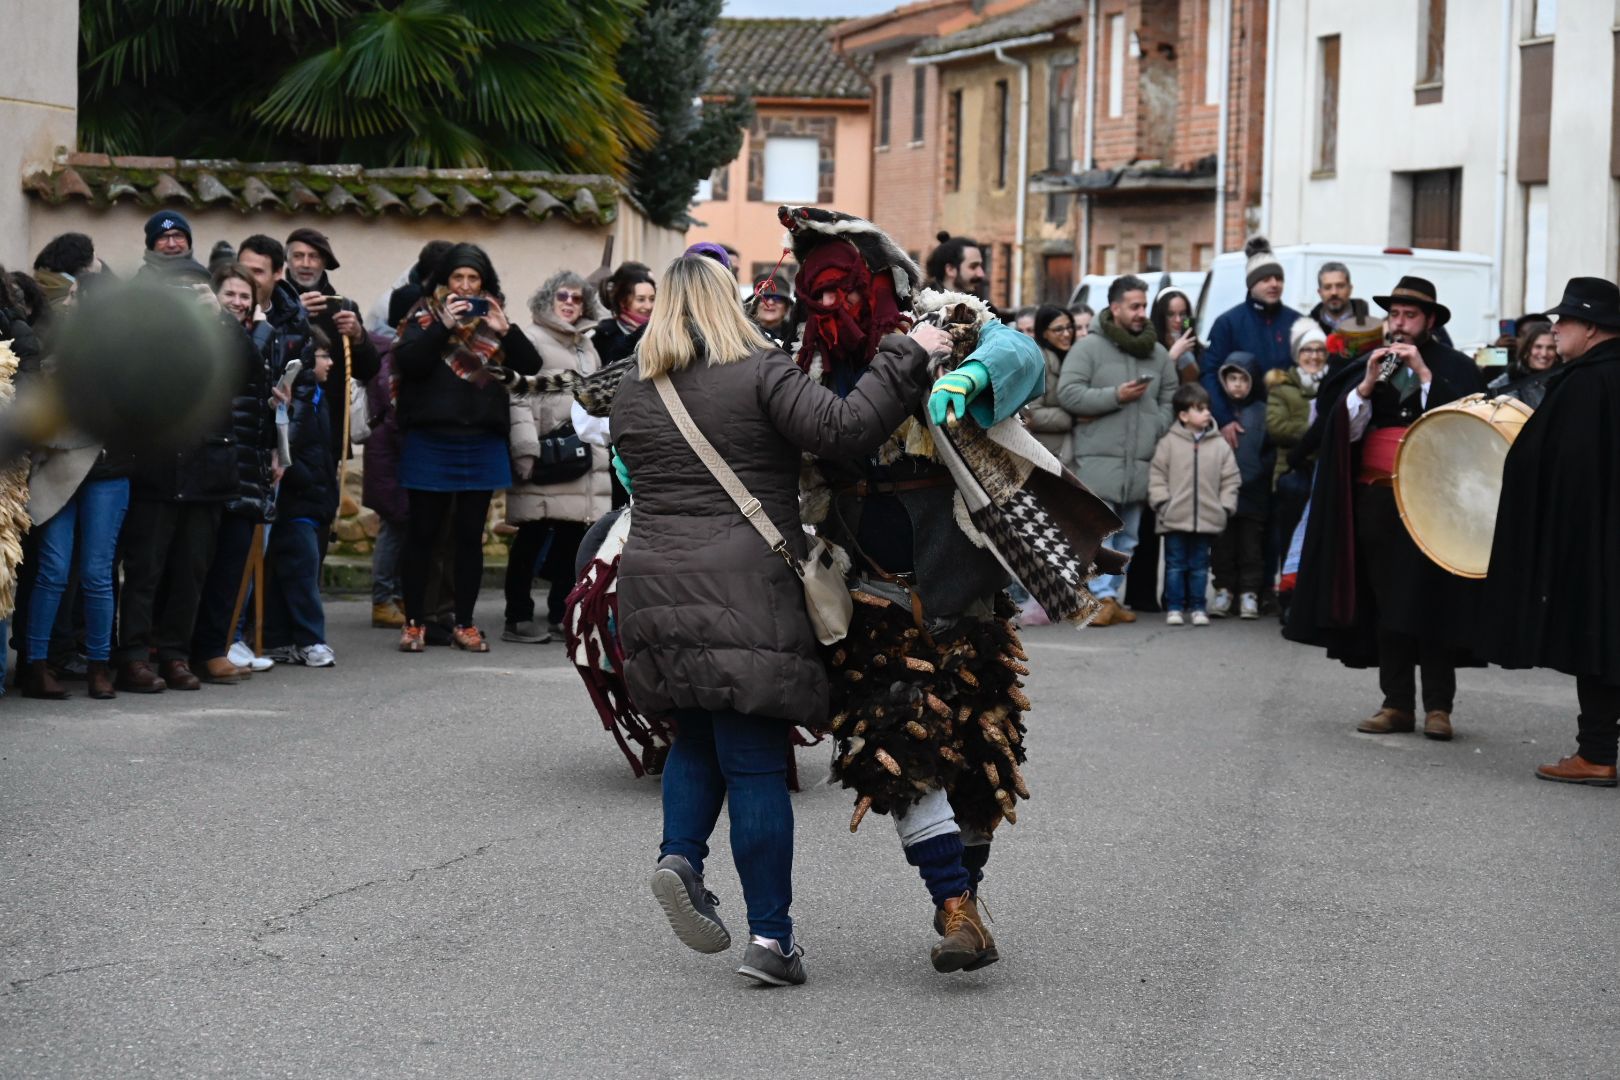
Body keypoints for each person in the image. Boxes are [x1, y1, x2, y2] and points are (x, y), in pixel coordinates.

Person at [610, 253, 941, 987]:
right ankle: (770, 940)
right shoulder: (759, 374)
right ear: (728, 305)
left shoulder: (632, 393)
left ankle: (680, 856)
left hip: (653, 584)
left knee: (694, 732)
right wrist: (909, 353)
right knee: (755, 759)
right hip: (746, 587)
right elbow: (846, 428)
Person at [1285, 276, 1485, 739]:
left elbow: (1465, 427)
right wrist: (1367, 387)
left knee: (1432, 598)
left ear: (1429, 321)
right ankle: (1396, 703)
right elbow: (1344, 432)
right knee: (1386, 598)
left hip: (1435, 502)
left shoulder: (1454, 367)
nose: (1399, 324)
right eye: (1394, 315)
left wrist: (1427, 378)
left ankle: (1439, 707)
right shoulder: (1368, 365)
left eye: (1409, 316)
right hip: (1377, 498)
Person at [1479, 278, 1620, 785]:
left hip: (1595, 540)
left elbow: (1568, 467)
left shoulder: (1585, 382)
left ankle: (1597, 753)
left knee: (1600, 642)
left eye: (1565, 321)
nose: (1555, 329)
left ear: (1592, 327)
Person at [115, 230, 250, 693]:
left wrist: (222, 319)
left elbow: (251, 373)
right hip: (155, 468)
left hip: (206, 470)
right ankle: (134, 656)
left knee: (192, 572)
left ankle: (175, 654)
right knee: (145, 571)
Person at [393, 243, 542, 653]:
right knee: (422, 532)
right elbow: (409, 363)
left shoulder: (494, 320)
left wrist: (505, 328)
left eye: (472, 279)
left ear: (483, 283)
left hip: (481, 440)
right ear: (444, 281)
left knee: (468, 535)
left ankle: (465, 622)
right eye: (456, 278)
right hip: (430, 438)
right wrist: (442, 325)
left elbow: (531, 367)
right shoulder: (422, 314)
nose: (463, 286)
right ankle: (414, 623)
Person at [1057, 274, 1178, 626]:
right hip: (1097, 463)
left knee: (1130, 538)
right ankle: (1093, 600)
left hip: (1140, 466)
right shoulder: (1088, 348)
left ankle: (1108, 597)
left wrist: (1157, 424)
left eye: (1144, 305)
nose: (1142, 312)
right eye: (1135, 306)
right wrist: (1115, 397)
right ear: (1115, 308)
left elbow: (1170, 396)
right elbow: (1069, 394)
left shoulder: (1157, 354)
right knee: (1097, 536)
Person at [502, 270, 612, 644]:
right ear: (548, 298)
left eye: (577, 298)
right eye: (562, 296)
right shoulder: (531, 339)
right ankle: (516, 617)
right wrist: (525, 448)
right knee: (530, 537)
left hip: (581, 455)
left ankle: (559, 614)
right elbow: (518, 397)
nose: (569, 303)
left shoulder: (587, 345)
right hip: (546, 454)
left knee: (570, 538)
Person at [187, 263, 282, 684]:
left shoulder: (264, 338)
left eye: (246, 297)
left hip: (247, 470)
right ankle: (176, 650)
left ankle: (212, 650)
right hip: (207, 469)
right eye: (230, 295)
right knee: (193, 568)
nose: (239, 303)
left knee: (229, 571)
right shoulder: (202, 335)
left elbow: (264, 387)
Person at [262, 332, 339, 667]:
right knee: (301, 570)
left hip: (311, 499)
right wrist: (306, 481)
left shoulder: (320, 396)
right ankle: (310, 639)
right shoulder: (301, 398)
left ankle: (281, 639)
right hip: (297, 501)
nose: (330, 363)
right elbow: (287, 447)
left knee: (294, 569)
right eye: (323, 355)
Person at [283, 227, 381, 463]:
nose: (305, 264)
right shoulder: (275, 303)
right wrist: (293, 313)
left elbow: (367, 370)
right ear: (287, 261)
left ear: (323, 262)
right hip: (281, 422)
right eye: (298, 256)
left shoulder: (343, 307)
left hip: (328, 425)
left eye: (313, 257)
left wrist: (359, 337)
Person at [1148, 383, 1239, 627]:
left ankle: (1199, 607)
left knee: (1200, 566)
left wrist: (1225, 506)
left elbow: (1231, 478)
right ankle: (1175, 607)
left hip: (1207, 519)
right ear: (1183, 415)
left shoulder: (1219, 445)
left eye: (1207, 408)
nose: (1207, 413)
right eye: (1200, 409)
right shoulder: (1169, 443)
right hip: (1174, 517)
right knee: (1176, 565)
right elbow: (1157, 475)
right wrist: (1163, 503)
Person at [1202, 236, 1304, 448]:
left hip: (1287, 427)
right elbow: (1209, 373)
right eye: (1266, 279)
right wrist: (1224, 418)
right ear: (1251, 284)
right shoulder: (1228, 323)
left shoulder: (1297, 322)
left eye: (1278, 278)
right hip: (1243, 428)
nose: (1274, 284)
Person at [1266, 318, 1329, 609]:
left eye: (1319, 350)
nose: (1314, 356)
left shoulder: (1332, 385)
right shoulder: (1283, 387)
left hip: (1325, 472)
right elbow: (1277, 428)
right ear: (1297, 354)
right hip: (1292, 474)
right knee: (1290, 535)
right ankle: (1288, 596)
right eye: (1308, 350)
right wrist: (1315, 431)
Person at [1207, 355, 1274, 619]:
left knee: (1251, 548)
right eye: (1231, 379)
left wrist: (1260, 470)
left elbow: (1271, 449)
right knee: (1222, 547)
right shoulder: (1214, 412)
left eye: (1243, 379)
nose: (1237, 385)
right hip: (1220, 493)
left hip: (1253, 492)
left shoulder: (1262, 411)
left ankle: (1249, 593)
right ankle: (1224, 590)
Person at [1025, 305, 1076, 460]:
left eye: (1069, 327)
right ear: (1044, 333)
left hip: (1072, 446)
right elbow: (1030, 414)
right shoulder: (1038, 361)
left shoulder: (1076, 356)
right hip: (1048, 452)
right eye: (1058, 329)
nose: (1066, 334)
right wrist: (1074, 418)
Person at [593, 262, 656, 366]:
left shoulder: (658, 333)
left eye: (652, 299)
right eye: (641, 299)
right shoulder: (601, 337)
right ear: (623, 301)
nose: (648, 306)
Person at [1487, 321, 1561, 407]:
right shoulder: (1509, 372)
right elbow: (1480, 373)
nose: (1544, 353)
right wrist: (1495, 348)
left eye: (1550, 347)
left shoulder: (1564, 377)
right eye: (1538, 346)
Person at [1150, 286, 1201, 385]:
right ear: (1161, 317)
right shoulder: (1150, 347)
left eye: (1182, 314)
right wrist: (1173, 356)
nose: (1178, 320)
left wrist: (1186, 356)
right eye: (1170, 314)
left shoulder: (1197, 349)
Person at [1309, 261, 1368, 334]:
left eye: (1340, 286)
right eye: (1327, 287)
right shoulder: (1308, 328)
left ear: (1350, 289)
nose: (1334, 292)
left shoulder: (1369, 324)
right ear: (1320, 292)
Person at [924, 232, 987, 299]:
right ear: (950, 270)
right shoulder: (921, 307)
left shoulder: (985, 307)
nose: (981, 274)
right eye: (973, 267)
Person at [746, 275, 794, 349]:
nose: (771, 302)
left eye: (777, 298)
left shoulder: (797, 337)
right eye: (764, 297)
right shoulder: (741, 334)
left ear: (786, 307)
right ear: (754, 304)